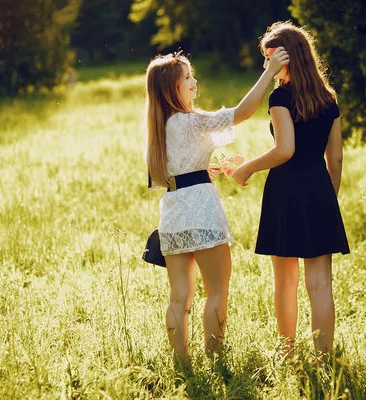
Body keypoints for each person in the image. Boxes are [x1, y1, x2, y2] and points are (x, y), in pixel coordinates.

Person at [144, 48, 289, 366]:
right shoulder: (190, 121)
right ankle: (215, 363)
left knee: (179, 297)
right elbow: (243, 112)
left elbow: (168, 176)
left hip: (172, 213)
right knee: (216, 293)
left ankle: (182, 365)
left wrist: (206, 169)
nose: (194, 82)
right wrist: (270, 72)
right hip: (202, 210)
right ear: (173, 87)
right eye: (187, 77)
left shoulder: (158, 127)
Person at [232, 21, 350, 358]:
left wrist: (246, 168)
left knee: (286, 281)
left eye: (268, 58)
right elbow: (336, 157)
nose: (266, 65)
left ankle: (288, 353)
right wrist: (330, 196)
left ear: (283, 57)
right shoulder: (328, 98)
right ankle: (325, 358)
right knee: (321, 284)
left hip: (285, 192)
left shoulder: (281, 96)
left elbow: (285, 150)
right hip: (319, 190)